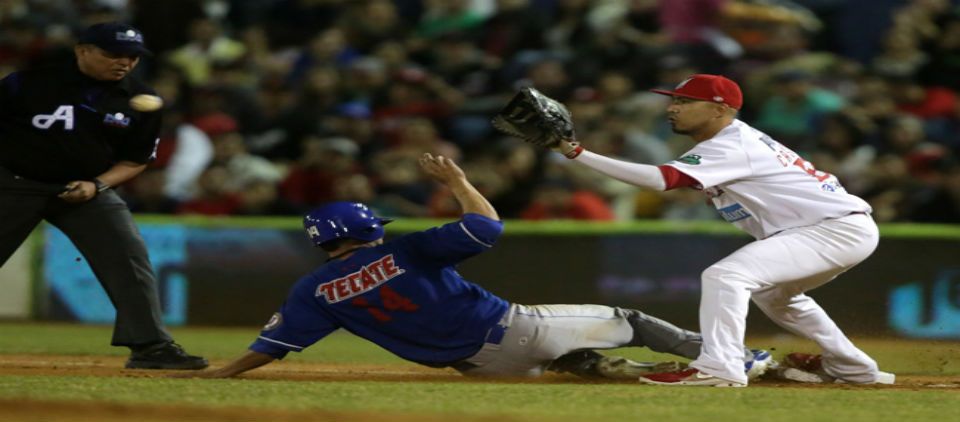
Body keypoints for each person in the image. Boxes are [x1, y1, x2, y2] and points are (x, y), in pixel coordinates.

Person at [186, 153, 773, 380]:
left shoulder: (314, 288)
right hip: (515, 327)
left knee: (582, 364)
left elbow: (275, 346)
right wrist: (459, 181)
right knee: (630, 316)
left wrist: (223, 374)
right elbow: (487, 226)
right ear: (365, 229)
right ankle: (733, 359)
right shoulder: (403, 249)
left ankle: (630, 373)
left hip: (479, 367)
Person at [544, 74, 894, 387]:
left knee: (726, 276)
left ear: (719, 109)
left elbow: (659, 180)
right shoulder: (730, 142)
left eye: (684, 101)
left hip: (829, 229)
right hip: (833, 229)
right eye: (673, 100)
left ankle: (721, 366)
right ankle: (853, 366)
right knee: (775, 295)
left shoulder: (732, 143)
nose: (672, 108)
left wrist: (575, 152)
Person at [0, 22, 206, 370]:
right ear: (83, 50)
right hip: (14, 182)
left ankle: (151, 347)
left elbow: (135, 161)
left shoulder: (143, 101)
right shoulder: (26, 84)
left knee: (129, 258)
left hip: (86, 189)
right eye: (113, 54)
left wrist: (97, 184)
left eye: (133, 57)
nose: (124, 63)